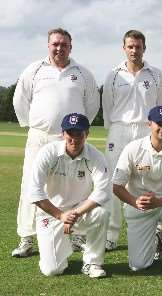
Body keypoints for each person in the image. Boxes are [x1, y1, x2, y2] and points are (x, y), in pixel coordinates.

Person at [12, 28, 100, 257]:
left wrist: (78, 131)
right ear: (48, 45)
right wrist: (36, 124)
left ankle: (79, 234)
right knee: (30, 185)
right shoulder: (34, 69)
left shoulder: (82, 73)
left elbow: (91, 105)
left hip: (70, 139)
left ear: (71, 46)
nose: (59, 48)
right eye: (55, 44)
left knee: (77, 185)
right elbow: (20, 100)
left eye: (64, 44)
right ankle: (26, 237)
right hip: (40, 136)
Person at [102, 30, 162, 251]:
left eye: (138, 47)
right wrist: (115, 129)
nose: (134, 51)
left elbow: (160, 107)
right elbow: (107, 107)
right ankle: (111, 234)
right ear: (124, 48)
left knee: (147, 180)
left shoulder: (156, 74)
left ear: (144, 48)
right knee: (115, 181)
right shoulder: (113, 75)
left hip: (144, 130)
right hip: (119, 129)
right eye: (130, 46)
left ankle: (154, 233)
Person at [112, 106, 162, 272]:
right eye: (160, 124)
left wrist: (159, 202)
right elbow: (117, 186)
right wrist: (134, 202)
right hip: (139, 207)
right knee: (139, 266)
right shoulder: (133, 148)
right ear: (150, 124)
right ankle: (157, 239)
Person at [28, 113, 109, 278]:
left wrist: (75, 213)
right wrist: (60, 215)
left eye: (79, 133)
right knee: (52, 270)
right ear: (63, 133)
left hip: (80, 210)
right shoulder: (48, 152)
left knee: (101, 213)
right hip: (52, 213)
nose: (74, 139)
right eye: (70, 133)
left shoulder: (96, 156)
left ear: (87, 133)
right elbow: (34, 191)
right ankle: (65, 245)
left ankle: (93, 262)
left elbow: (103, 191)